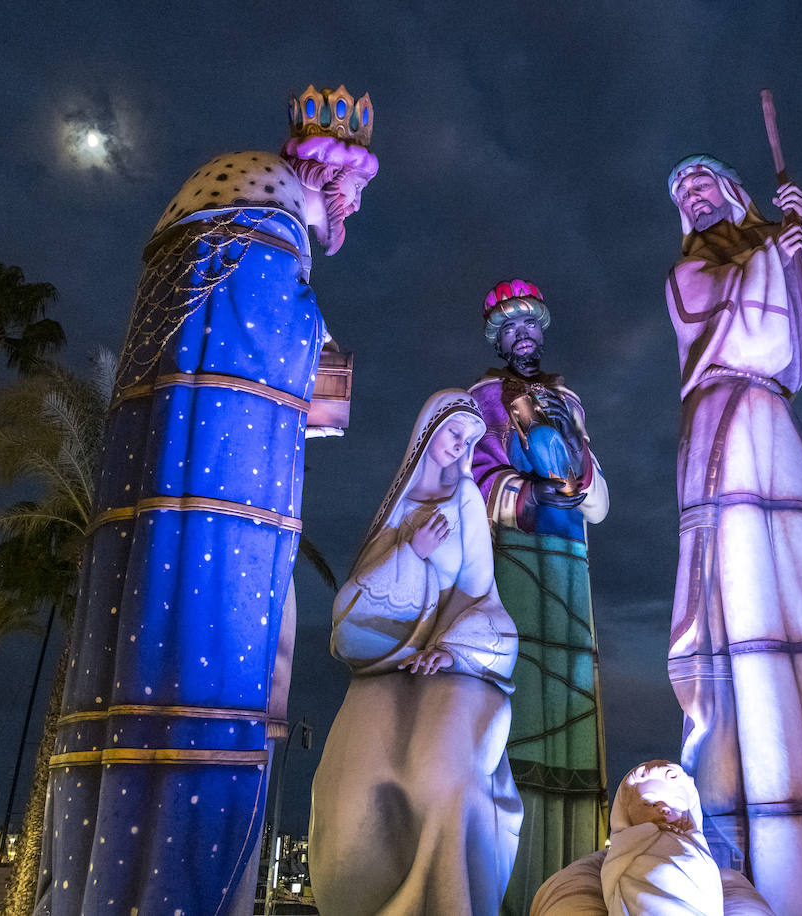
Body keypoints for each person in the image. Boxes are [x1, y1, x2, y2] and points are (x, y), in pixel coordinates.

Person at [35, 84, 377, 915]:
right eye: (353, 195)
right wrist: (324, 356)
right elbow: (266, 344)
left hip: (165, 475)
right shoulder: (269, 225)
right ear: (327, 180)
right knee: (223, 658)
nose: (350, 214)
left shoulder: (211, 226)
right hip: (224, 487)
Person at [663, 154, 802, 913]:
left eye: (702, 187)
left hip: (774, 428)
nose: (693, 202)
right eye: (683, 196)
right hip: (723, 426)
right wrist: (776, 254)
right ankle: (755, 838)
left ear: (731, 193)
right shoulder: (685, 276)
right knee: (741, 613)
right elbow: (726, 321)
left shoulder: (767, 246)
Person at [308, 389, 522, 915]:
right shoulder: (397, 506)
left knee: (445, 773)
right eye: (454, 432)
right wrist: (412, 552)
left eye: (471, 440)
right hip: (385, 668)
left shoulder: (467, 501)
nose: (460, 445)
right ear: (429, 429)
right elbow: (353, 607)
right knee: (356, 780)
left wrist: (448, 651)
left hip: (451, 660)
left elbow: (476, 591)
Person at [467, 279, 610, 913]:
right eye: (511, 326)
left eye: (532, 324)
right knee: (522, 696)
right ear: (498, 336)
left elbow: (593, 486)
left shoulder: (568, 400)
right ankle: (514, 878)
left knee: (574, 694)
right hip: (516, 555)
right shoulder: (482, 398)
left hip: (570, 561)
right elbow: (474, 471)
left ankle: (572, 876)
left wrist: (575, 479)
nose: (523, 334)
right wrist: (525, 496)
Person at [530, 761, 770, 916]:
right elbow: (614, 866)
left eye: (675, 805)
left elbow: (708, 880)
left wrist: (690, 843)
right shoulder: (624, 847)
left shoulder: (698, 850)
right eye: (651, 802)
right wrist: (644, 835)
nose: (663, 810)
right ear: (625, 811)